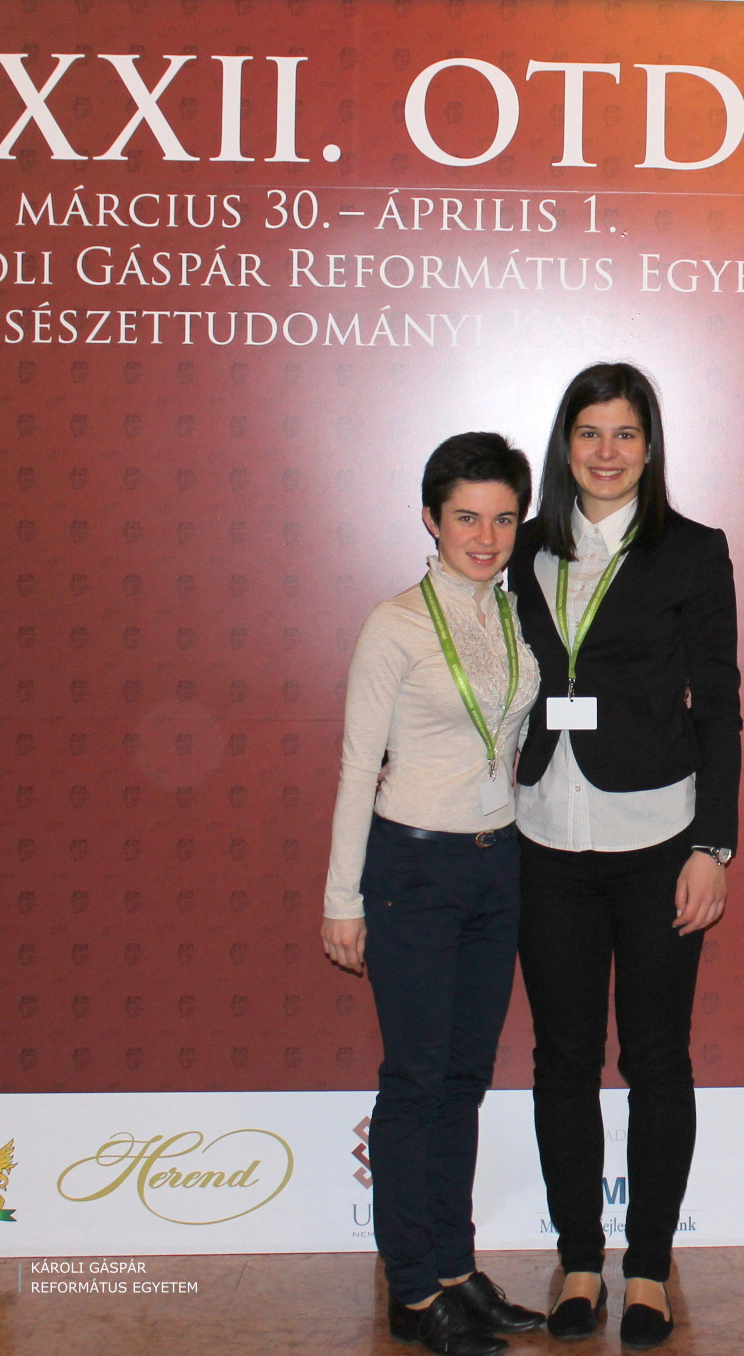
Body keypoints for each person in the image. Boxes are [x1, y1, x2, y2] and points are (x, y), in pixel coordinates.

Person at [510, 363, 739, 1350]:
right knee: (562, 1057)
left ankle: (646, 1266)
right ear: (565, 444)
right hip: (542, 837)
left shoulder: (693, 550)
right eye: (589, 433)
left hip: (657, 838)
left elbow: (719, 704)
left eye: (625, 434)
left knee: (655, 1056)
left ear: (650, 448)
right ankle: (577, 1259)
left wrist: (713, 844)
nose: (606, 452)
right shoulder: (523, 548)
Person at [322, 432, 548, 1356]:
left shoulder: (513, 616)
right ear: (431, 519)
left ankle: (456, 1270)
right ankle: (412, 1290)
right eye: (466, 519)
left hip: (498, 866)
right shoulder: (396, 625)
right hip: (412, 869)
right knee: (415, 1081)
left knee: (464, 1079)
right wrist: (343, 898)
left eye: (503, 519)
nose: (486, 538)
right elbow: (356, 765)